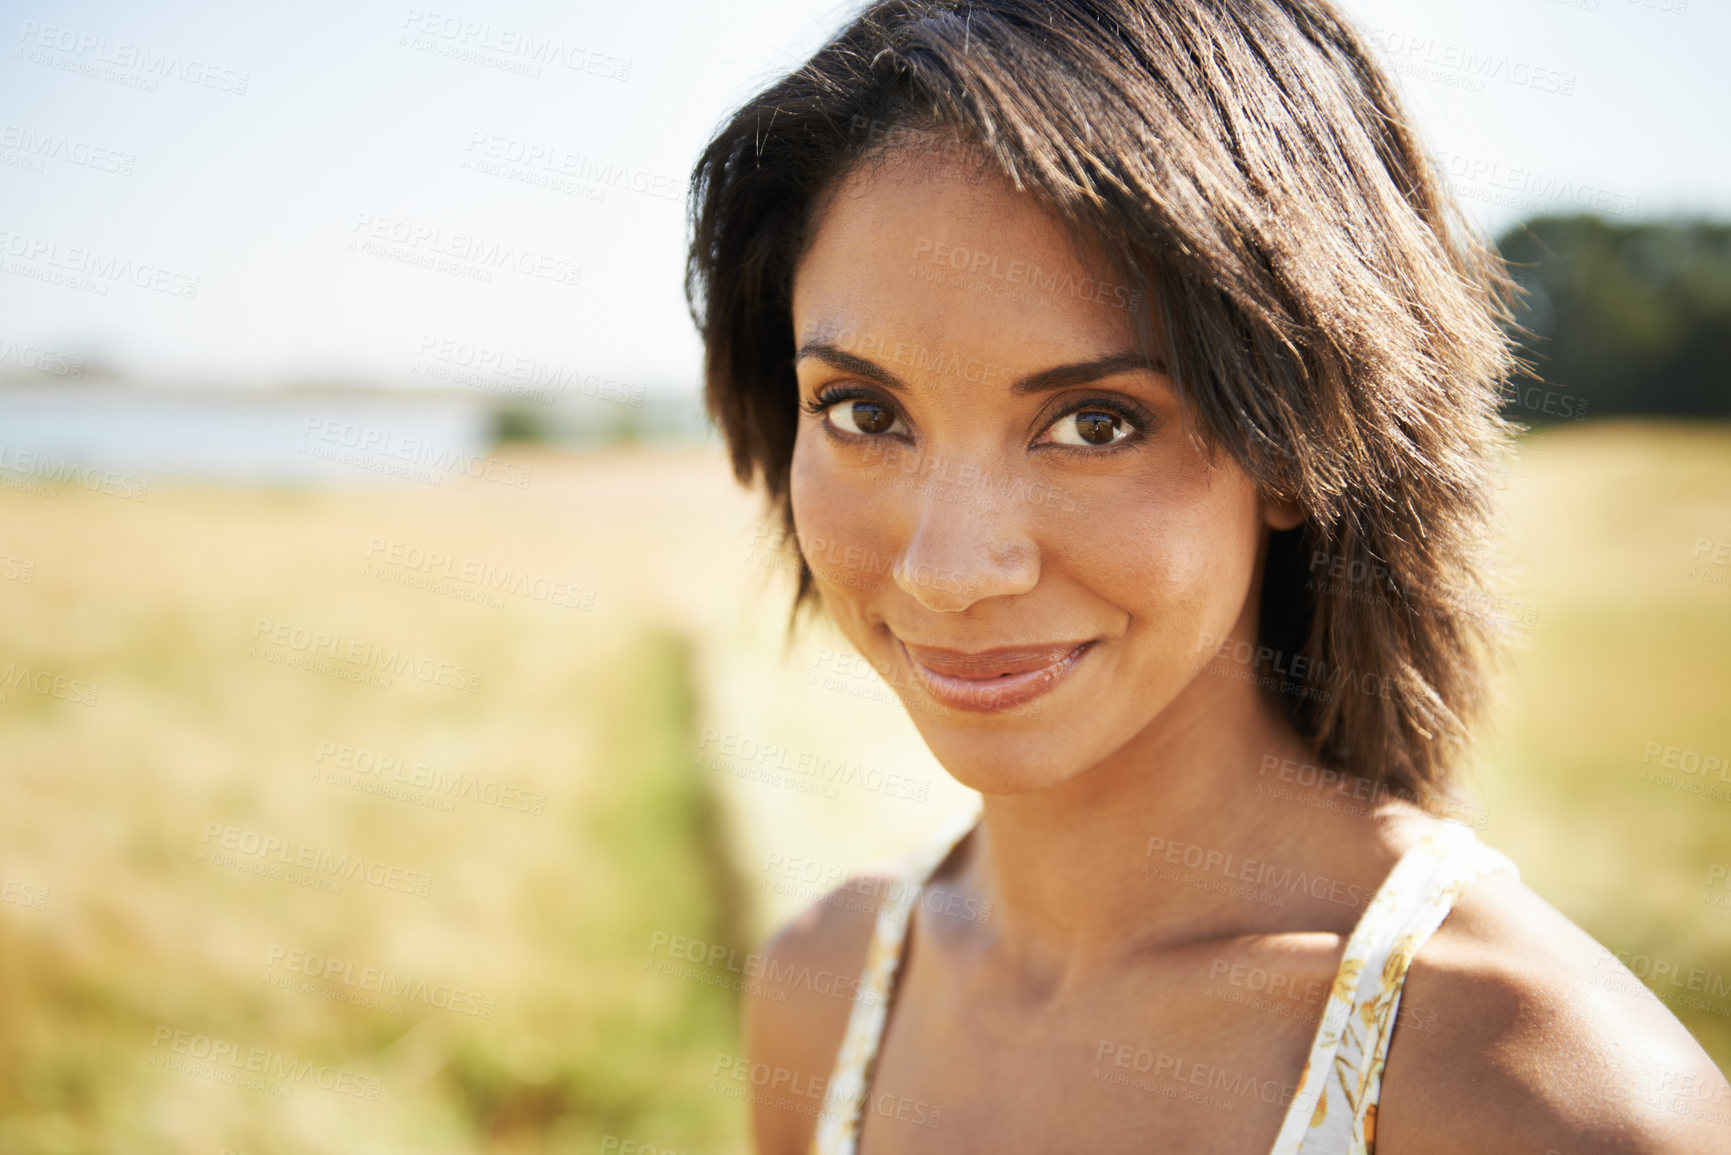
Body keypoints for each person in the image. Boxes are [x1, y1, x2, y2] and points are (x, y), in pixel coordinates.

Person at [683, 1, 1731, 1151]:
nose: (948, 570)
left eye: (1094, 423)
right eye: (863, 411)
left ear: (1298, 443)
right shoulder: (825, 994)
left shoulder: (1546, 1098)